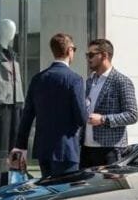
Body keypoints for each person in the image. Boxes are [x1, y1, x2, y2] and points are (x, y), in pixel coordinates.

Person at [12, 33, 87, 178]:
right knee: (65, 196)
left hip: (43, 149)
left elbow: (27, 116)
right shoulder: (75, 79)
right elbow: (81, 119)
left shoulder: (38, 79)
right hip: (66, 150)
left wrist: (20, 146)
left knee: (48, 194)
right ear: (69, 50)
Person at [81, 39, 138, 168]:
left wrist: (103, 119)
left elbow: (132, 115)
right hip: (86, 149)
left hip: (110, 150)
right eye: (87, 55)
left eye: (91, 55)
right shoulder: (89, 81)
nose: (88, 59)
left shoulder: (121, 81)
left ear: (104, 55)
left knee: (109, 188)